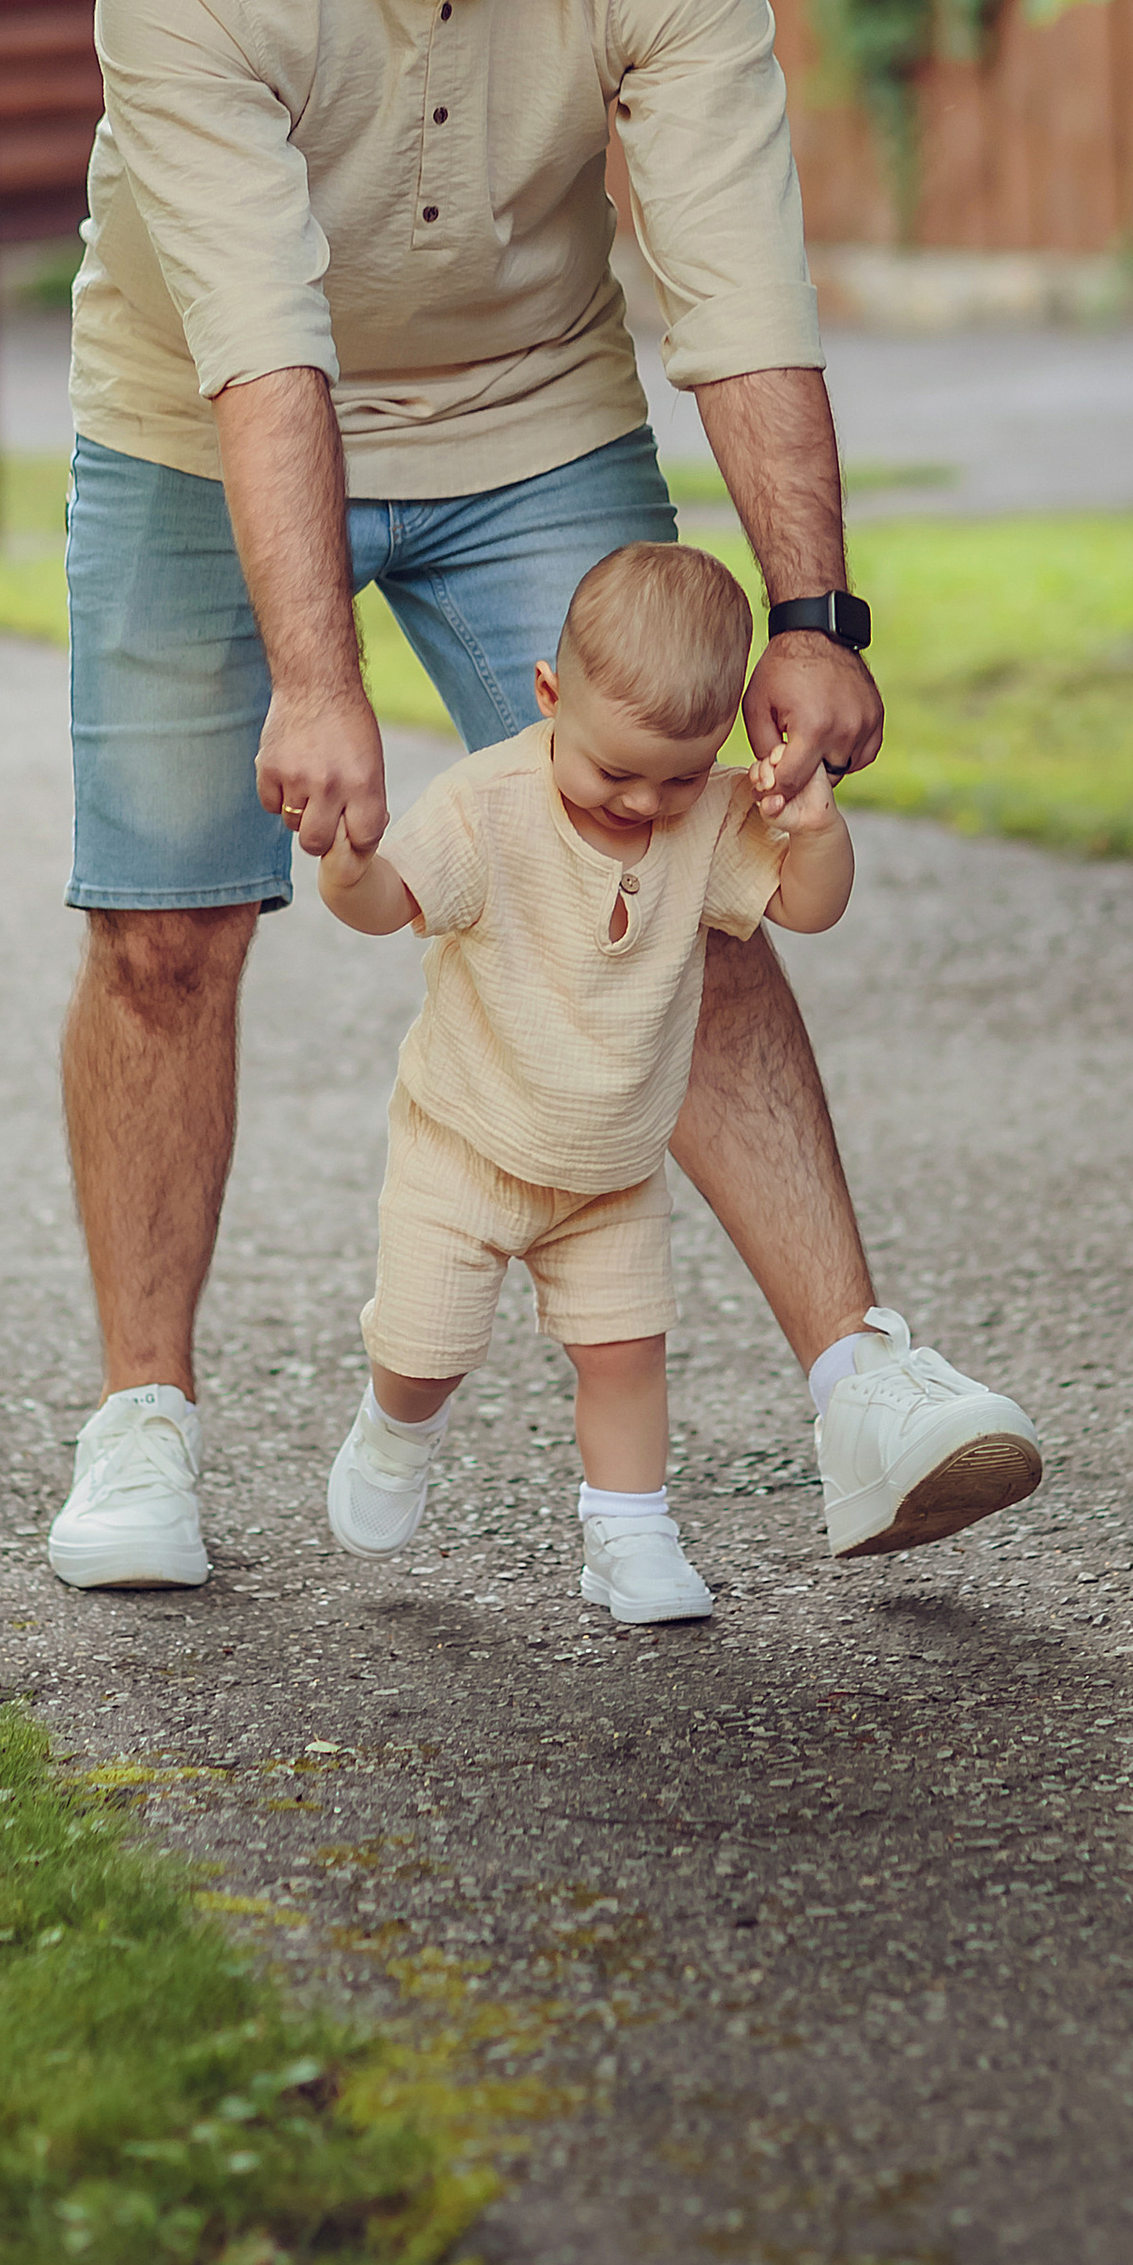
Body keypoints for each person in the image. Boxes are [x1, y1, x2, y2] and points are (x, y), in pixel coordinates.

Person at [46, 0, 1044, 1593]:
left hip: (525, 419)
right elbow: (258, 339)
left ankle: (862, 1379)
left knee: (679, 868)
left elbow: (734, 287)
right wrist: (314, 682)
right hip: (196, 422)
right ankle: (143, 1423)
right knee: (166, 928)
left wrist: (813, 617)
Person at [321, 544, 901, 1626]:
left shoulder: (716, 817)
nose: (645, 801)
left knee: (627, 1356)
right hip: (468, 1144)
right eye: (616, 771)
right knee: (423, 1351)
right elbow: (390, 899)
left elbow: (806, 910)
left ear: (727, 737)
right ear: (549, 696)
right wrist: (350, 867)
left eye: (680, 775)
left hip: (613, 1168)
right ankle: (395, 1427)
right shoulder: (486, 805)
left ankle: (628, 1536)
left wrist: (813, 828)